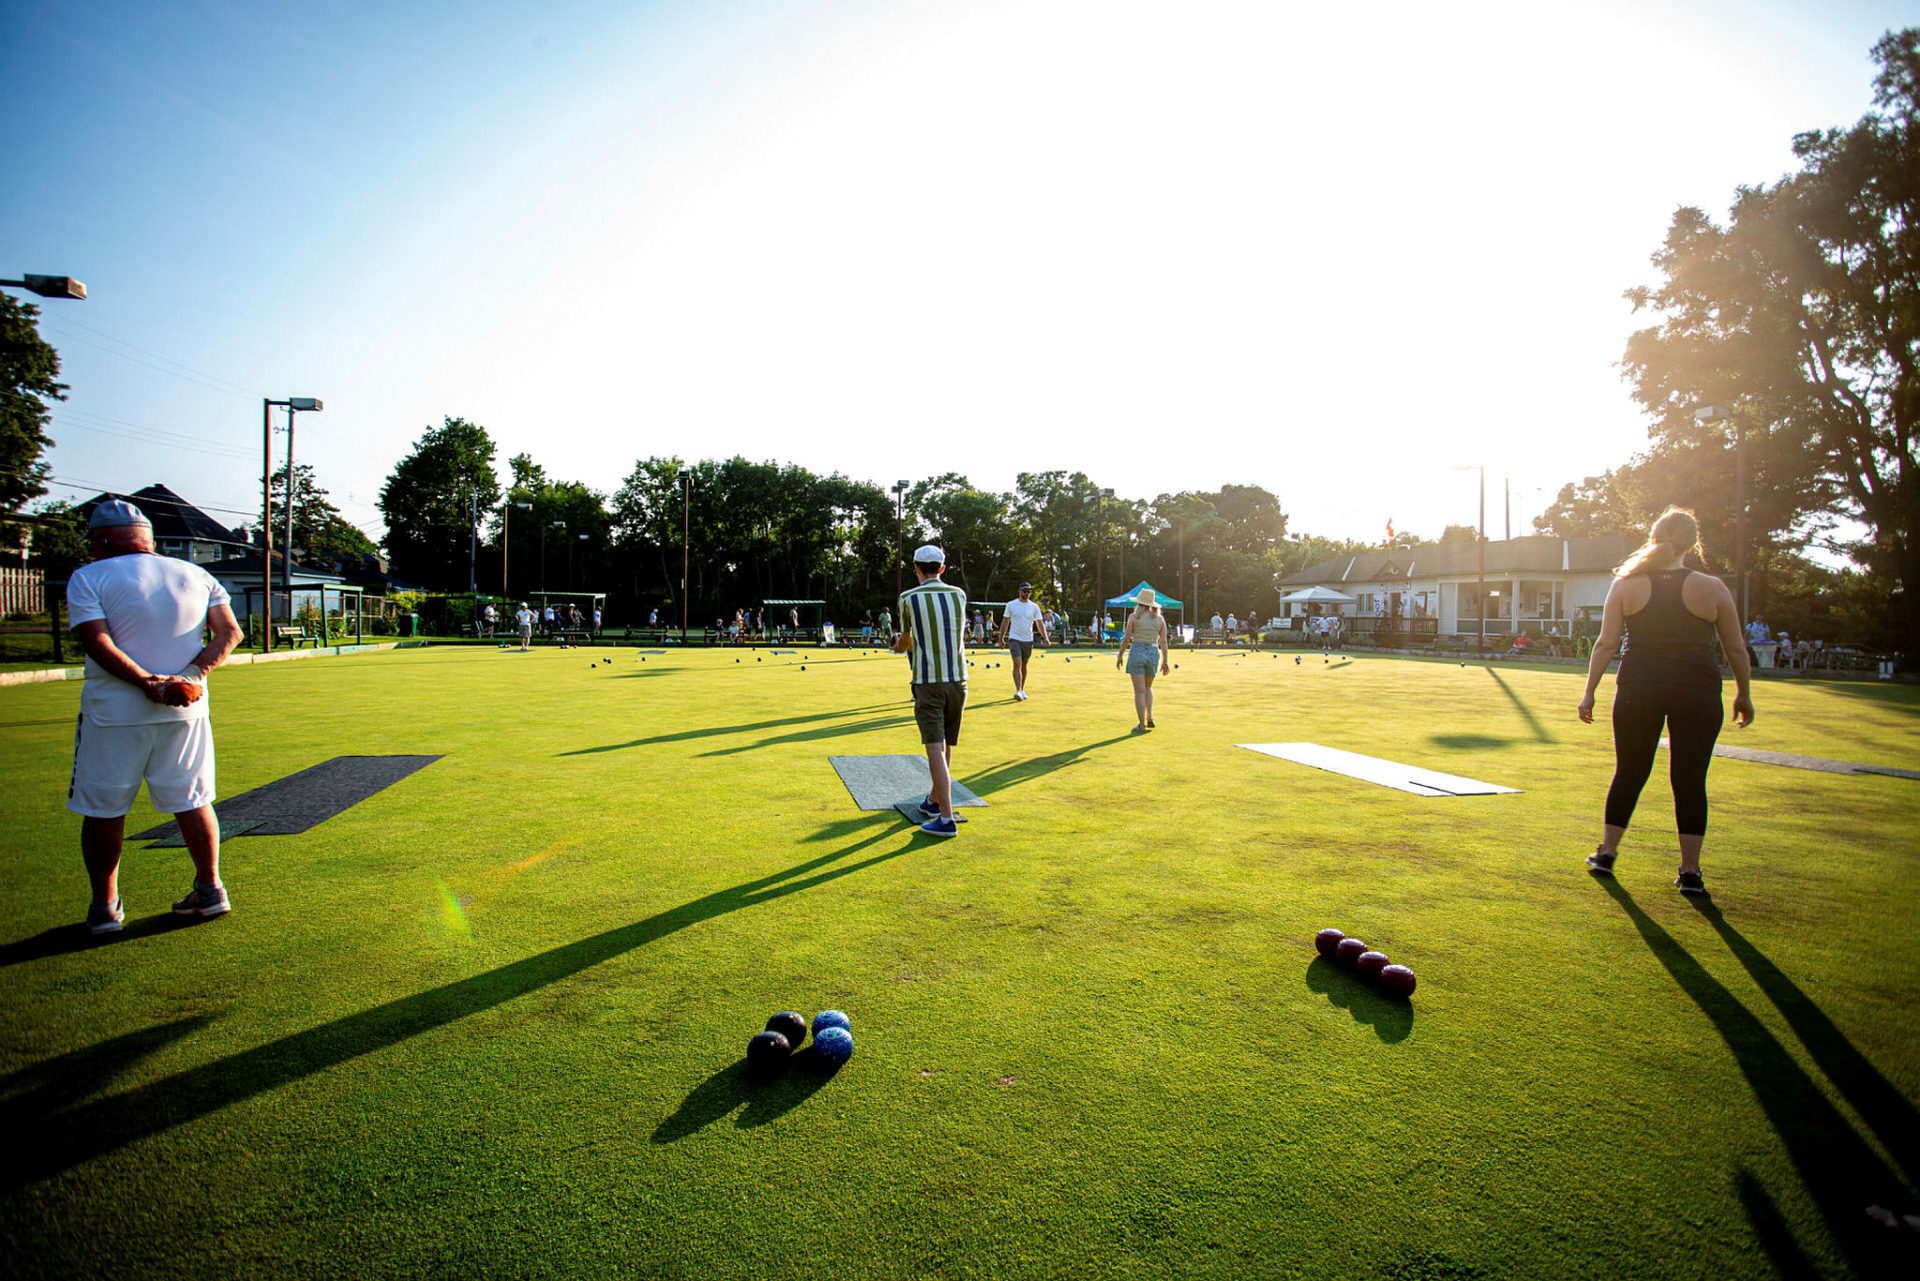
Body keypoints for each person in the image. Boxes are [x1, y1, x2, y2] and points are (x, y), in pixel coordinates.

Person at [65, 500, 245, 932]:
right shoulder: (196, 574)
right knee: (193, 799)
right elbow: (230, 632)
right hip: (187, 707)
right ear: (148, 537)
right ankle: (210, 888)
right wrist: (187, 676)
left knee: (104, 808)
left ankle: (106, 908)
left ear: (102, 538)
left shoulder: (88, 576)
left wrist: (149, 684)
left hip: (115, 713)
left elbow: (98, 643)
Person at [1579, 506, 1754, 895]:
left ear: (1654, 537)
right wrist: (1744, 692)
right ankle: (1690, 872)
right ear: (1691, 544)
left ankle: (1607, 853)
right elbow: (1736, 648)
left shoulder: (1626, 584)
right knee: (1690, 780)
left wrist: (1589, 691)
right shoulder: (1712, 588)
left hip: (1639, 688)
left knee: (1629, 771)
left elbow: (1607, 643)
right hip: (1698, 690)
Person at [895, 545, 968, 837]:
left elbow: (906, 641)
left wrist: (896, 645)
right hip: (959, 680)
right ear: (942, 568)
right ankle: (936, 800)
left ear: (916, 568)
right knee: (947, 743)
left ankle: (946, 819)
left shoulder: (907, 598)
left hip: (928, 681)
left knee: (934, 747)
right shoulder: (958, 595)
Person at [1117, 588, 1172, 731]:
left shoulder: (1134, 617)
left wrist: (1120, 655)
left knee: (1139, 691)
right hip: (1154, 652)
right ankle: (1150, 717)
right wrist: (1165, 661)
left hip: (1138, 651)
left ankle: (1141, 724)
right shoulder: (1159, 619)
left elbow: (1126, 638)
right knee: (1148, 687)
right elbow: (1164, 642)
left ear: (1139, 603)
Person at [996, 581, 1050, 701]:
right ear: (1019, 591)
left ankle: (1022, 689)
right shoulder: (1011, 605)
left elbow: (1039, 623)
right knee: (1017, 663)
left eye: (1029, 591)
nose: (1026, 593)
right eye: (1024, 591)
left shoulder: (1034, 607)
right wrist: (1001, 638)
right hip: (1014, 639)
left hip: (1028, 640)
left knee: (1024, 665)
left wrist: (1045, 637)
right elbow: (1005, 622)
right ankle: (1018, 690)